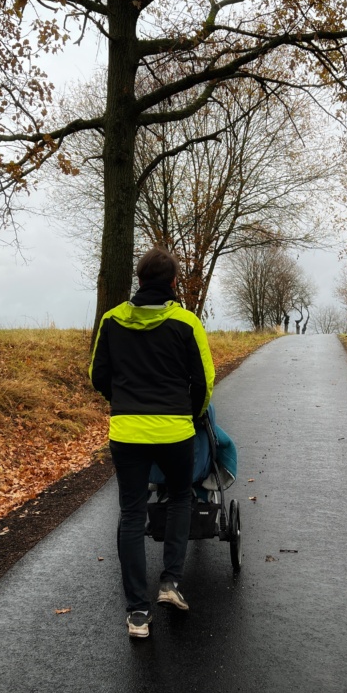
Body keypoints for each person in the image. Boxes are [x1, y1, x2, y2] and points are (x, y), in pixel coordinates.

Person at [89, 245, 215, 638]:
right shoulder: (186, 322)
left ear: (139, 281)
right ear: (174, 283)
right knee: (180, 497)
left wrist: (123, 404)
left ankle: (137, 614)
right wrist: (190, 415)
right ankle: (170, 583)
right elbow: (204, 381)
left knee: (131, 512)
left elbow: (98, 375)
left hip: (126, 432)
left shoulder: (111, 321)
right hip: (175, 430)